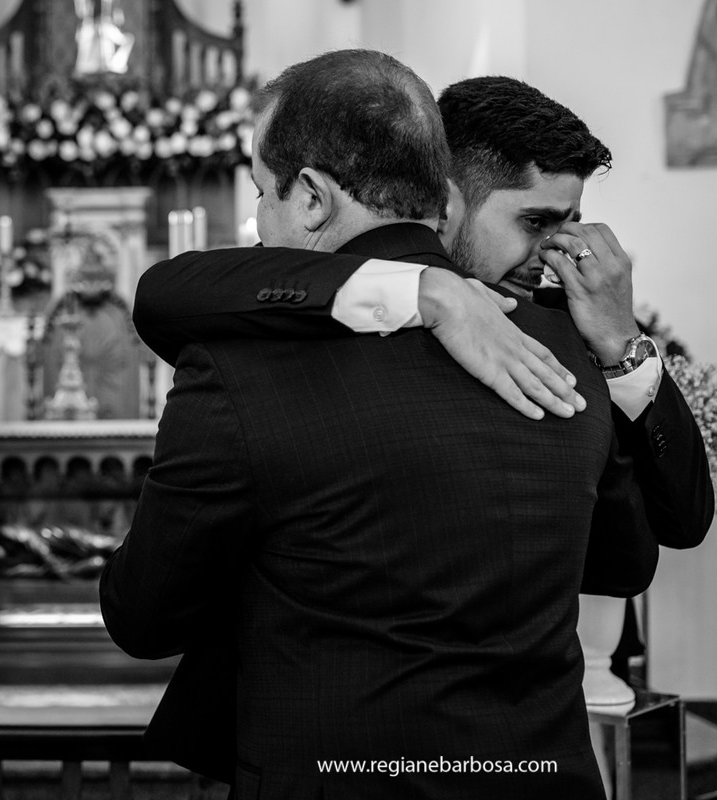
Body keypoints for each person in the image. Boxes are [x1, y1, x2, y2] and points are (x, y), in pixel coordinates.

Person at [99, 50, 659, 797]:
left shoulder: (243, 367)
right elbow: (624, 559)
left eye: (264, 194)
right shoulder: (566, 347)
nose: (259, 224)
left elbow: (144, 617)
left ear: (309, 196)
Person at [132, 75, 714, 550]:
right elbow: (173, 290)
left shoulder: (565, 331)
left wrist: (620, 347)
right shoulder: (326, 304)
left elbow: (677, 527)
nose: (559, 253)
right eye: (535, 222)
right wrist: (423, 290)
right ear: (445, 199)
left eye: (571, 223)